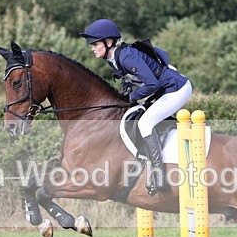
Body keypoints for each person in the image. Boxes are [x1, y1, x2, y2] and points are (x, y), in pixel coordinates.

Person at [79, 18, 192, 195]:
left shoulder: (126, 56)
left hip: (176, 89)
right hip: (163, 90)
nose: (92, 48)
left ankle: (159, 174)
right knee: (136, 116)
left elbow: (151, 84)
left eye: (95, 44)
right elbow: (130, 82)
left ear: (108, 43)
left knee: (145, 123)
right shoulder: (114, 58)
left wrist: (131, 97)